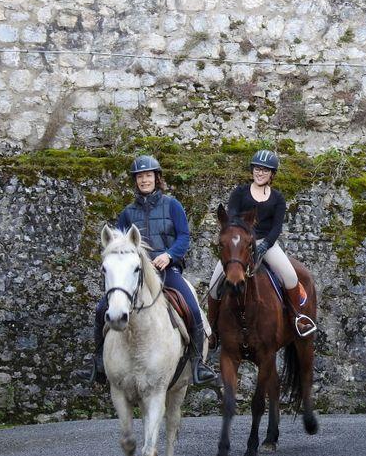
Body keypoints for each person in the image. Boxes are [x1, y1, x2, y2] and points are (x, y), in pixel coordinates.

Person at [90, 155, 217, 387]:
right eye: (140, 177)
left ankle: (198, 364)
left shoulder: (172, 205)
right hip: (136, 274)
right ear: (135, 181)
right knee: (101, 309)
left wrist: (169, 255)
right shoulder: (127, 213)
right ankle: (98, 363)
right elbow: (119, 244)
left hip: (167, 271)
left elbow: (184, 236)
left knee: (191, 307)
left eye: (148, 175)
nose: (144, 180)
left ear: (157, 178)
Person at [207, 149, 317, 337]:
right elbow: (233, 220)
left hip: (267, 244)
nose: (260, 173)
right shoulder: (239, 193)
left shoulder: (278, 199)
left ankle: (296, 318)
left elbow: (276, 227)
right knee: (213, 285)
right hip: (241, 246)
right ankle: (212, 327)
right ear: (252, 170)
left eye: (265, 170)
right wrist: (244, 242)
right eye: (257, 168)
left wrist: (265, 244)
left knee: (291, 277)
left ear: (271, 174)